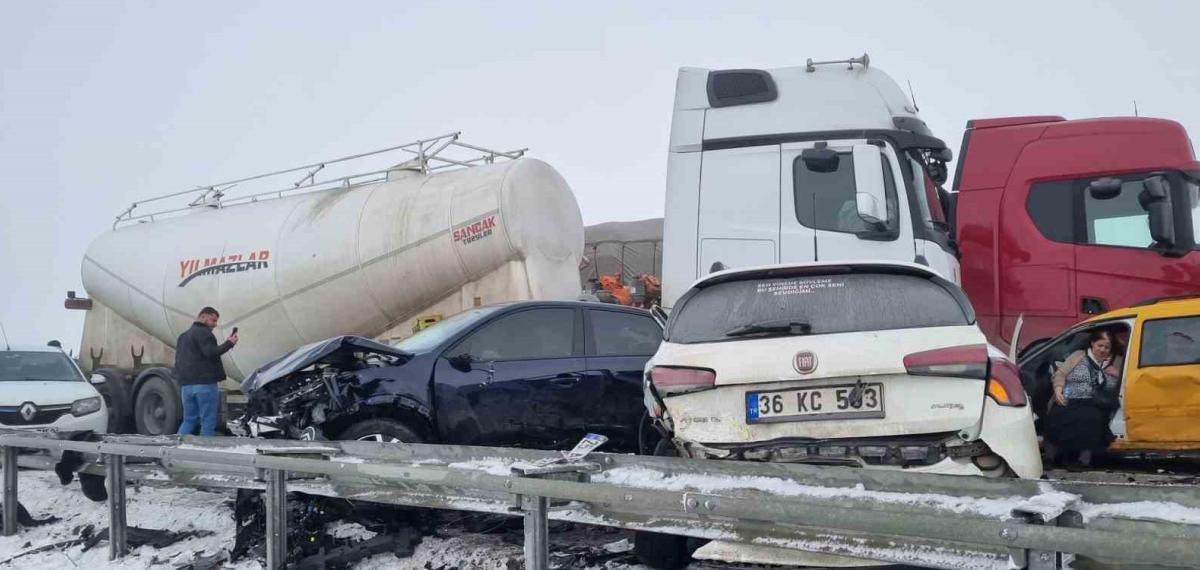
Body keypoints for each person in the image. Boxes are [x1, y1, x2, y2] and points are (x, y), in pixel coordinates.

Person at [1043, 329, 1122, 468]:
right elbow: (1060, 374)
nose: (1103, 350)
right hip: (1069, 398)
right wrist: (1058, 389)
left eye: (1107, 347)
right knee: (1056, 417)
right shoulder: (1078, 356)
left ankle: (1082, 461)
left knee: (1091, 420)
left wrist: (1116, 375)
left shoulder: (1115, 363)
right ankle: (1050, 458)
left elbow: (1119, 386)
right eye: (1100, 345)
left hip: (1093, 402)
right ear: (1092, 343)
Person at [176, 307, 238, 436]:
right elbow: (211, 352)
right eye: (213, 320)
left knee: (189, 420)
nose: (215, 324)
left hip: (186, 386)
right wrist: (229, 343)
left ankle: (177, 450)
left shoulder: (183, 336)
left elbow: (178, 360)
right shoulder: (204, 333)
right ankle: (204, 451)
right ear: (203, 316)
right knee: (207, 421)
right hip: (204, 385)